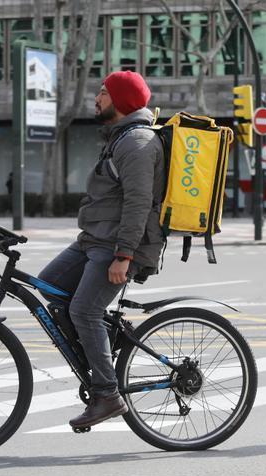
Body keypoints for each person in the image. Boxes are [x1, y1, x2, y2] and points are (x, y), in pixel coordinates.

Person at [37, 71, 165, 430]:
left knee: (84, 310)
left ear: (121, 102)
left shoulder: (137, 142)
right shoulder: (119, 137)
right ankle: (105, 344)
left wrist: (124, 255)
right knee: (48, 286)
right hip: (94, 241)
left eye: (103, 92)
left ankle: (107, 393)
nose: (96, 97)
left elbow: (139, 203)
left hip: (117, 246)